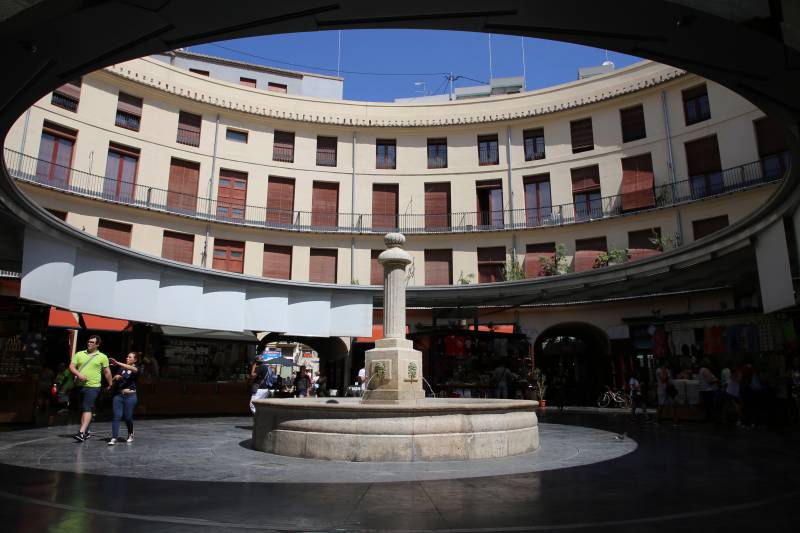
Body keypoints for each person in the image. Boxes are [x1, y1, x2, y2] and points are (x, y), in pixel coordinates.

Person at [68, 335, 113, 442]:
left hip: (93, 386)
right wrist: (78, 375)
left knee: (87, 407)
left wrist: (111, 384)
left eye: (92, 342)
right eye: (88, 341)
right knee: (83, 409)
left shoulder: (102, 356)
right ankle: (86, 431)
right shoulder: (79, 354)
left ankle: (81, 432)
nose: (89, 343)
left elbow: (107, 372)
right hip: (80, 385)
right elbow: (71, 366)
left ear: (97, 344)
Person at [107, 351, 140, 445]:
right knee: (116, 416)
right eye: (127, 357)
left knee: (127, 417)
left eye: (130, 357)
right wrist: (115, 378)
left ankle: (131, 433)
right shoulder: (122, 369)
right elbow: (117, 379)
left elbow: (131, 368)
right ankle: (114, 437)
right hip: (119, 396)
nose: (127, 358)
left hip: (130, 396)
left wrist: (116, 362)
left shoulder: (137, 369)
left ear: (135, 360)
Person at [655, 360, 678, 426]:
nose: (668, 364)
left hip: (668, 389)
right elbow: (663, 380)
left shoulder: (666, 370)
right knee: (661, 406)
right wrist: (665, 372)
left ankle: (675, 421)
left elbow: (669, 379)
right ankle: (658, 420)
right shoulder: (659, 370)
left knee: (673, 404)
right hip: (662, 390)